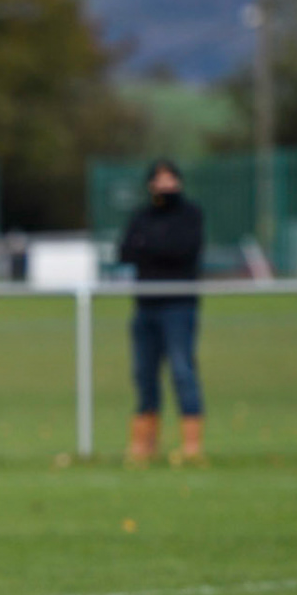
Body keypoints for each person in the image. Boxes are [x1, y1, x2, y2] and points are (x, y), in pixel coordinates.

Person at [118, 158, 206, 464]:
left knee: (183, 371)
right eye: (159, 180)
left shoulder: (191, 214)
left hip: (179, 305)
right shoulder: (141, 216)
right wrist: (156, 246)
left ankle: (192, 446)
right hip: (145, 306)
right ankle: (144, 446)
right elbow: (126, 250)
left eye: (171, 179)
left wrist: (150, 246)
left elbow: (184, 250)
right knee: (144, 374)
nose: (165, 186)